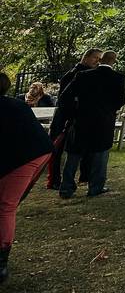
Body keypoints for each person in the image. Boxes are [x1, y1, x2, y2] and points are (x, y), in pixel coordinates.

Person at [0, 71, 54, 284]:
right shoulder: (16, 104)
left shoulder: (13, 106)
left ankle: (1, 261)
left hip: (28, 156)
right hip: (29, 152)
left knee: (5, 205)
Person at [58, 50, 125, 198]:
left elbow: (65, 96)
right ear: (114, 61)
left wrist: (74, 112)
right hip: (103, 121)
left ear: (100, 60)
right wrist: (109, 110)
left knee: (74, 155)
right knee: (100, 155)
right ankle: (95, 187)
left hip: (82, 119)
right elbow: (121, 100)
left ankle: (66, 187)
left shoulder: (83, 75)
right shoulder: (118, 78)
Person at [47, 48, 102, 190]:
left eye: (99, 59)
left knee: (78, 149)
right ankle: (54, 179)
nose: (97, 61)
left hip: (77, 118)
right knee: (58, 149)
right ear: (86, 57)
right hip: (66, 117)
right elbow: (65, 99)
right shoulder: (73, 75)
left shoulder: (89, 75)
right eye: (95, 58)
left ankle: (81, 177)